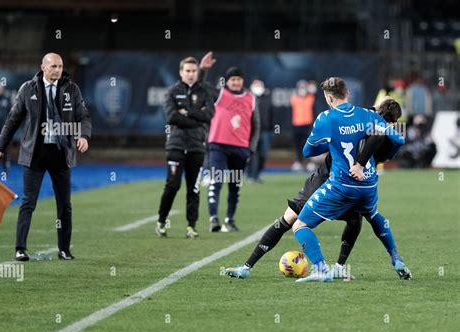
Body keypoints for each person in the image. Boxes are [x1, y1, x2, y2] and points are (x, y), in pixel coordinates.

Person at [226, 97, 409, 280]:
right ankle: (375, 261)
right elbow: (393, 140)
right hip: (345, 182)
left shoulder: (357, 119)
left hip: (333, 180)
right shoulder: (380, 132)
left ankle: (250, 267)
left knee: (293, 220)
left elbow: (315, 147)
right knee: (360, 217)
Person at [290, 77, 410, 283]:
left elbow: (308, 151)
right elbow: (397, 138)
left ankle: (321, 269)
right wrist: (380, 156)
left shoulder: (325, 118)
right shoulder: (366, 115)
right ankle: (396, 259)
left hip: (342, 184)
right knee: (372, 214)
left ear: (329, 98)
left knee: (299, 225)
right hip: (369, 183)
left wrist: (331, 142)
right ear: (347, 94)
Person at [0, 53, 92, 261]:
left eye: (61, 66)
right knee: (28, 202)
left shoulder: (71, 89)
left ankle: (64, 249)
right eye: (54, 66)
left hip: (61, 153)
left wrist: (83, 135)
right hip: (35, 154)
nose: (58, 70)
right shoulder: (28, 89)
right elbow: (12, 121)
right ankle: (20, 249)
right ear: (43, 67)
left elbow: (83, 116)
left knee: (64, 204)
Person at [199, 55, 260, 233]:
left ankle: (229, 220)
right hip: (218, 145)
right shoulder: (219, 93)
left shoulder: (251, 98)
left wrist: (251, 149)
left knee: (234, 186)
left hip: (240, 149)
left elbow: (257, 126)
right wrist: (203, 69)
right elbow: (201, 86)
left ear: (242, 81)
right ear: (228, 81)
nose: (235, 82)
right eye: (232, 79)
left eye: (238, 79)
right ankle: (213, 219)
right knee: (216, 181)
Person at [155, 56, 215, 238]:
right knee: (172, 185)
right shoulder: (172, 91)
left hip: (197, 146)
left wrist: (187, 112)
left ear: (197, 73)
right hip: (176, 145)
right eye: (187, 71)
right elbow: (171, 117)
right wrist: (197, 117)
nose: (190, 74)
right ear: (181, 72)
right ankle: (161, 221)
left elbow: (209, 115)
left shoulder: (205, 91)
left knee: (193, 188)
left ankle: (191, 226)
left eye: (193, 71)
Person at [246, 79, 273, 183]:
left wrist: (273, 130)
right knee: (252, 154)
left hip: (265, 131)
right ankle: (251, 176)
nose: (257, 87)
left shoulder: (267, 98)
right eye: (255, 85)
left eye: (259, 85)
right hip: (251, 131)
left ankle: (257, 174)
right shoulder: (248, 98)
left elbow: (272, 114)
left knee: (263, 154)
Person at [290, 80, 316, 171]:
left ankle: (309, 162)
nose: (302, 90)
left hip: (308, 124)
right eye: (300, 88)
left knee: (309, 145)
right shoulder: (294, 98)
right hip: (296, 124)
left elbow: (317, 97)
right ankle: (298, 162)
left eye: (304, 87)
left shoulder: (311, 98)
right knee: (298, 145)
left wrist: (311, 88)